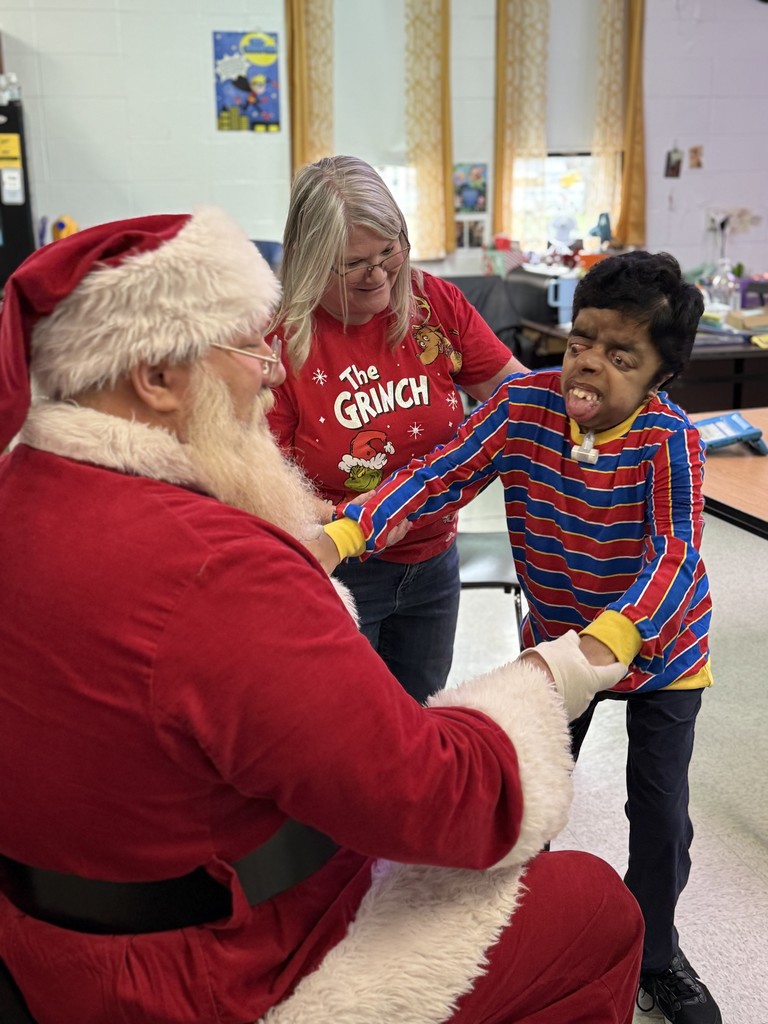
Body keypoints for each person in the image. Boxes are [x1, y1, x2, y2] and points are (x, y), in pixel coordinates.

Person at [0, 209, 643, 1024]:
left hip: (49, 930)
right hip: (208, 968)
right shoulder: (217, 567)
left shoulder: (23, 490)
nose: (270, 372)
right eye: (245, 346)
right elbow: (440, 800)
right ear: (157, 378)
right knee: (594, 907)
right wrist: (544, 679)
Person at [319, 250, 722, 1024]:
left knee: (660, 812)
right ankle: (523, 927)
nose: (589, 367)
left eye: (620, 356)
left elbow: (675, 554)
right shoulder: (525, 407)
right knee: (529, 790)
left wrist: (613, 638)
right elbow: (439, 473)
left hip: (660, 652)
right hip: (555, 648)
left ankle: (658, 953)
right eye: (581, 343)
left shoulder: (672, 441)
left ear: (659, 377)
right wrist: (346, 530)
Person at [267, 155, 527, 703]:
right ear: (312, 263)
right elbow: (264, 480)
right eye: (355, 263)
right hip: (337, 570)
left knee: (418, 713)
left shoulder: (432, 301)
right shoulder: (279, 340)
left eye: (390, 250)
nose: (381, 275)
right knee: (345, 725)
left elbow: (520, 400)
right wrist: (352, 521)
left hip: (433, 562)